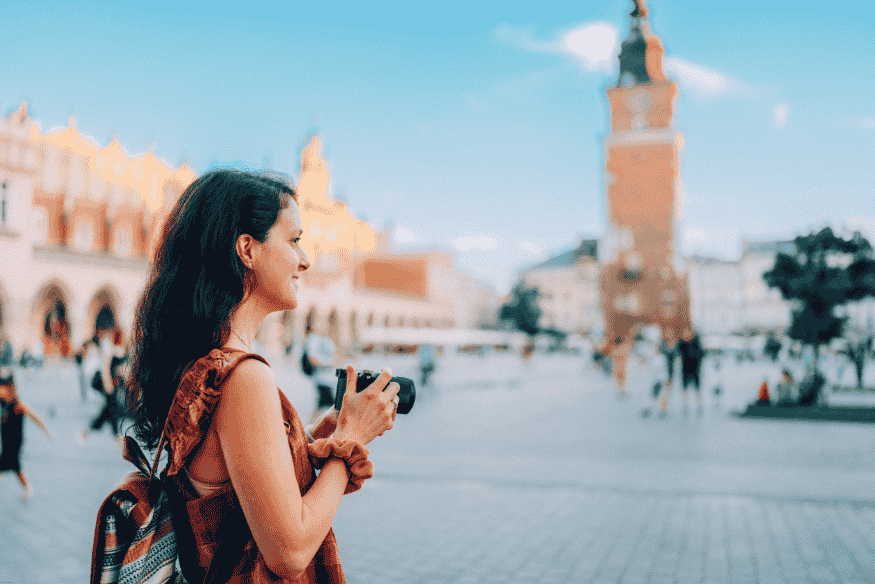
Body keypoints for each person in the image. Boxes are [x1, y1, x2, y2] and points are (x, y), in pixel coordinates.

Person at [124, 169, 400, 583]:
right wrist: (352, 439)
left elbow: (237, 487)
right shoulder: (244, 377)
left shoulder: (209, 364)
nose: (304, 260)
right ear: (247, 249)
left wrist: (318, 436)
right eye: (293, 240)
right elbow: (290, 551)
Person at [0, 363, 52, 502]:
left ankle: (28, 488)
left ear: (10, 389)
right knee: (14, 468)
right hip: (6, 441)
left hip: (15, 443)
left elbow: (35, 417)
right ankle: (28, 488)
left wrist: (45, 429)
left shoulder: (18, 405)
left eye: (3, 388)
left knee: (13, 466)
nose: (1, 391)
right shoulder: (2, 403)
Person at [80, 327, 125, 446]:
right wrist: (107, 384)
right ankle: (116, 434)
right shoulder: (110, 350)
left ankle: (87, 432)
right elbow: (105, 367)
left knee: (109, 409)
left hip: (116, 384)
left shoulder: (119, 349)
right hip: (110, 383)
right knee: (112, 408)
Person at [303, 323, 339, 425]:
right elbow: (312, 359)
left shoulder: (327, 339)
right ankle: (309, 429)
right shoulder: (313, 339)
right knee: (333, 407)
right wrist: (329, 364)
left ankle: (308, 429)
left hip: (329, 380)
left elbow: (336, 356)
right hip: (321, 380)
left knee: (323, 407)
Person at [678, 327, 705, 416]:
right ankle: (685, 405)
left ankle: (699, 405)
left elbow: (702, 354)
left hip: (695, 369)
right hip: (685, 369)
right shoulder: (682, 344)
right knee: (685, 388)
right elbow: (678, 354)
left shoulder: (696, 343)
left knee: (697, 388)